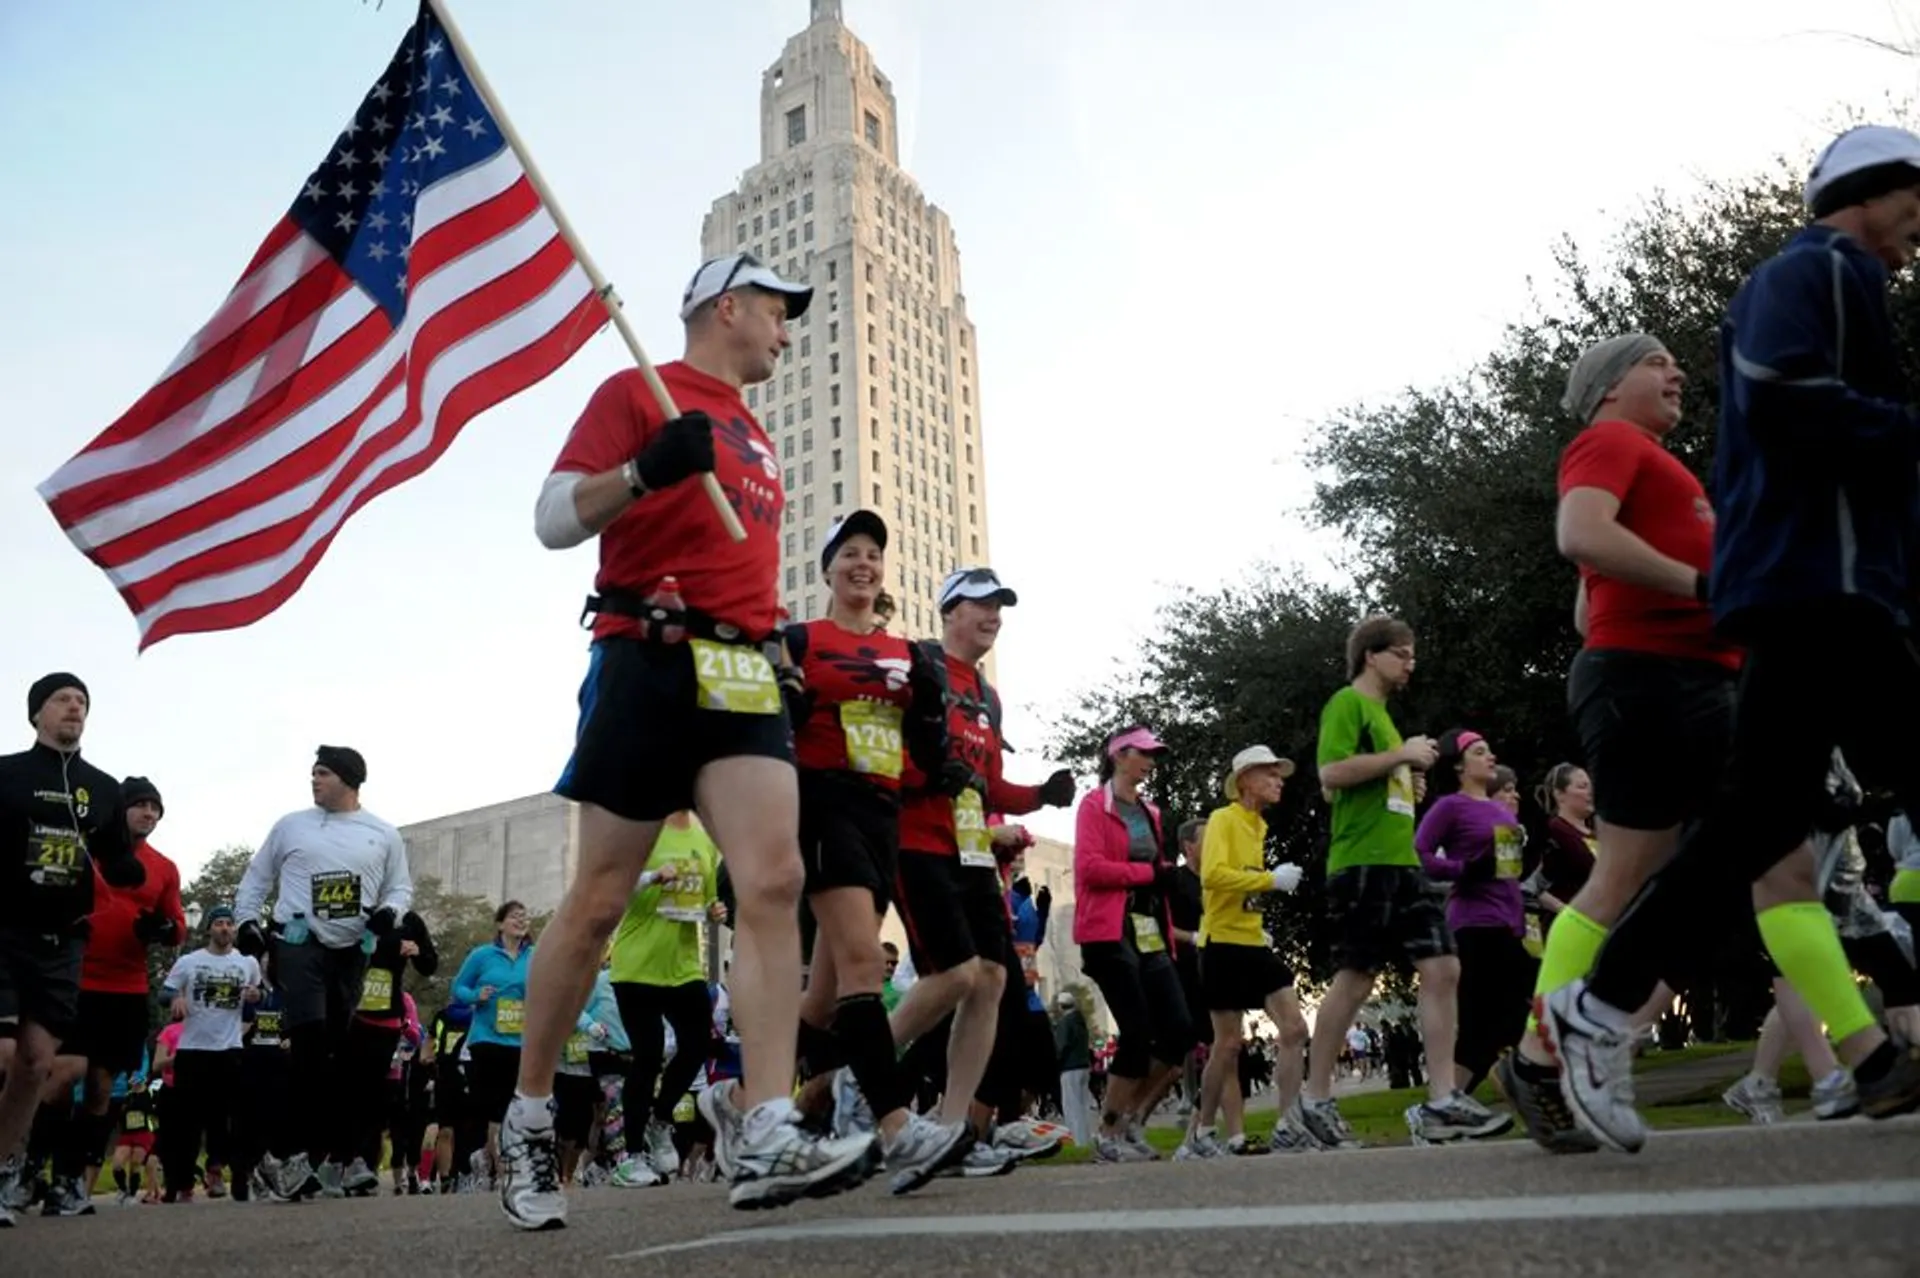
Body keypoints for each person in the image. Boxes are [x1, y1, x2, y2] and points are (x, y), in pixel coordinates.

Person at [1541, 131, 1920, 1148]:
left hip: (1749, 637)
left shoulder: (1673, 462)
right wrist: (1704, 583)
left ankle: (1862, 1055)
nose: (1675, 371)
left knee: (1767, 840)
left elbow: (1590, 591)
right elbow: (1581, 541)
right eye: (1654, 363)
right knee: (1646, 864)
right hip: (1728, 638)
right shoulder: (1617, 435)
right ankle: (1555, 1041)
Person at [513, 252, 876, 1227]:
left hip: (745, 672)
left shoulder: (759, 436)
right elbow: (551, 519)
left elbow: (742, 571)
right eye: (777, 312)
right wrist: (639, 473)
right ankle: (531, 1114)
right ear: (728, 307)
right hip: (645, 655)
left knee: (772, 882)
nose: (787, 332)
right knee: (596, 905)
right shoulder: (635, 390)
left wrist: (779, 647)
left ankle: (762, 1126)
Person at [781, 509, 971, 1193]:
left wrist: (932, 729)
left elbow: (924, 747)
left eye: (873, 554)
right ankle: (896, 1127)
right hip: (822, 801)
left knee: (825, 993)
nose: (864, 563)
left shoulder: (906, 651)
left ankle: (777, 1104)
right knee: (865, 964)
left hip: (883, 811)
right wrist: (789, 704)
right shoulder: (800, 638)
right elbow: (766, 720)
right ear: (827, 568)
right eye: (850, 553)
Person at [882, 567, 1075, 1174]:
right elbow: (888, 755)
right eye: (981, 605)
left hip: (970, 852)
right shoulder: (919, 667)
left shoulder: (988, 695)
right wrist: (925, 774)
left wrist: (1042, 794)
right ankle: (860, 1067)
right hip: (915, 843)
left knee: (994, 981)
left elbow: (989, 785)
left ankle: (951, 1127)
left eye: (999, 608)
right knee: (959, 974)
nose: (993, 617)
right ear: (949, 611)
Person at [1302, 619, 1509, 1148]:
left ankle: (1442, 1099)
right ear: (1371, 656)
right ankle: (1315, 1097)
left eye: (1413, 654)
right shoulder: (1347, 705)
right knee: (1356, 977)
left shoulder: (1386, 720)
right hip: (1362, 863)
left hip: (1402, 862)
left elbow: (1364, 783)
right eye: (1401, 654)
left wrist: (1405, 781)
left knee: (1443, 967)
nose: (1410, 663)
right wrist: (1398, 758)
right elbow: (1330, 775)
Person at [234, 745, 413, 1200]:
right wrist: (247, 923)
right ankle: (290, 1155)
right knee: (312, 1044)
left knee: (336, 1054)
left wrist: (388, 913)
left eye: (323, 773)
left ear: (350, 780)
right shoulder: (291, 825)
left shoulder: (383, 834)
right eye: (313, 773)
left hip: (352, 950)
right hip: (298, 943)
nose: (314, 781)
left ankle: (327, 1158)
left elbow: (400, 887)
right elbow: (256, 879)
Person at [0, 674, 144, 1226]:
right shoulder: (9, 774)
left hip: (62, 940)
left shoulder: (101, 788)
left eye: (82, 702)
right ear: (37, 713)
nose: (74, 709)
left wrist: (125, 866)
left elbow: (113, 857)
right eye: (63, 700)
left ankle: (4, 1170)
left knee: (37, 1062)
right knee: (6, 1052)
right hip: (5, 931)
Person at [45, 774, 183, 1216]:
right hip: (77, 977)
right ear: (119, 809)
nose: (148, 813)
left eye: (155, 808)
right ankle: (30, 1165)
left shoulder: (164, 867)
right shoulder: (88, 848)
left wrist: (164, 930)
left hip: (127, 987)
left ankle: (69, 1181)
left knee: (102, 1088)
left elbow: (178, 924)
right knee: (65, 1073)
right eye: (140, 805)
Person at [1071, 725, 1193, 1161]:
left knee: (1179, 1031)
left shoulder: (1150, 812)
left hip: (1148, 929)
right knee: (1137, 1031)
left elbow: (1152, 866)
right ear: (1119, 755)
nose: (1150, 762)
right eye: (1143, 753)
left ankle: (1132, 1122)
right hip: (1107, 932)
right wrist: (1150, 874)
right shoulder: (1092, 806)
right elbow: (1090, 870)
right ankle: (1107, 1135)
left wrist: (1164, 875)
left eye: (1153, 754)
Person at [1186, 746, 1310, 1156]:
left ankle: (1288, 1122)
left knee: (1294, 1028)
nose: (1278, 781)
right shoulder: (1223, 819)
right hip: (1220, 944)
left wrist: (1262, 898)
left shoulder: (1259, 826)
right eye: (1269, 774)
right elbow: (1214, 875)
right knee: (1228, 1045)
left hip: (1253, 940)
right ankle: (1203, 1132)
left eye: (1280, 774)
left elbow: (1245, 884)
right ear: (1244, 781)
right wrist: (1270, 881)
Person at [1415, 731, 1535, 1107]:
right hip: (1474, 924)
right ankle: (1448, 1103)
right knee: (1513, 1013)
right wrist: (1464, 869)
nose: (1490, 756)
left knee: (1493, 1027)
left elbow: (1509, 873)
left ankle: (1446, 1104)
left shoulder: (1502, 811)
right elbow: (1419, 855)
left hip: (1507, 923)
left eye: (1489, 750)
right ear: (1458, 766)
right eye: (1479, 752)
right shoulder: (1450, 806)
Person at [158, 906, 261, 1202]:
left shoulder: (247, 963)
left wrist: (257, 996)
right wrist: (176, 997)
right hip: (193, 1050)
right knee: (187, 1121)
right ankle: (180, 1183)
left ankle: (235, 1179)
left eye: (229, 924)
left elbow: (258, 996)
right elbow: (165, 992)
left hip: (229, 1048)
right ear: (209, 930)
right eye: (219, 923)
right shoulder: (190, 962)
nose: (225, 928)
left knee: (232, 1119)